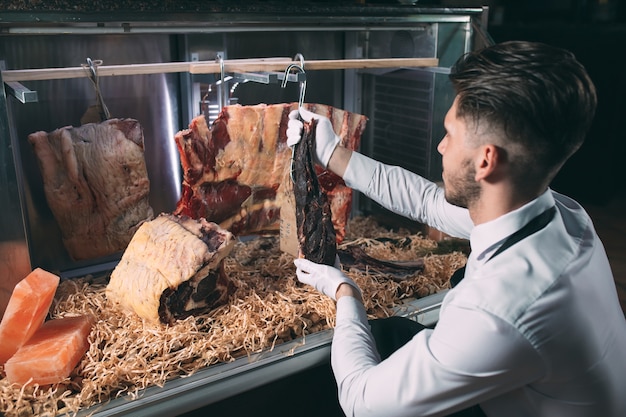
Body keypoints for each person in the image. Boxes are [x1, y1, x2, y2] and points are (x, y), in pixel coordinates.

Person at [286, 40, 626, 417]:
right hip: (524, 390)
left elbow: (363, 404)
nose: (440, 146)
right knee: (387, 333)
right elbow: (427, 201)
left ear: (485, 161)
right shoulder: (561, 213)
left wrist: (344, 289)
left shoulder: (499, 309)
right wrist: (332, 152)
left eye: (449, 133)